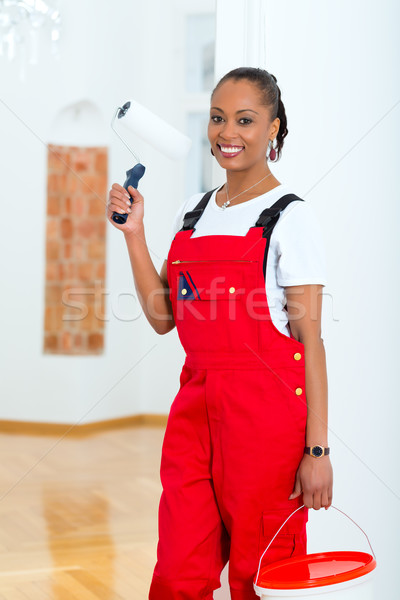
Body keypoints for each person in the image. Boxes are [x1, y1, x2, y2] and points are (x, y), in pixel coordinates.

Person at [107, 67, 333, 600]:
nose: (227, 132)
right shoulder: (194, 214)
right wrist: (134, 235)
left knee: (262, 578)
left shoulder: (290, 219)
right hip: (195, 416)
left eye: (245, 120)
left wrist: (318, 451)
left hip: (267, 425)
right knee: (179, 572)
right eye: (217, 118)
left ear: (274, 128)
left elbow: (310, 341)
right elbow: (165, 318)